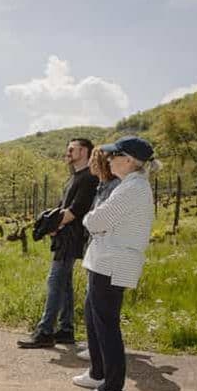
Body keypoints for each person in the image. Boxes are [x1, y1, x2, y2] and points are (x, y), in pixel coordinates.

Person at [72, 136, 159, 391]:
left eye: (113, 156)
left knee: (106, 325)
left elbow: (95, 220)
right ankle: (98, 373)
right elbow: (99, 221)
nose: (108, 160)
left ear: (129, 160)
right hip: (104, 261)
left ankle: (112, 390)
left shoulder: (132, 189)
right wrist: (95, 221)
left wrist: (92, 219)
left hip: (112, 262)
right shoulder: (129, 186)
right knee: (94, 318)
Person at [18, 139, 99, 349]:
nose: (68, 152)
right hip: (63, 236)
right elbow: (62, 207)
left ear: (84, 151)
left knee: (55, 281)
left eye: (72, 149)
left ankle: (45, 332)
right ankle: (65, 330)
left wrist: (54, 225)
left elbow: (76, 210)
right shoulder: (74, 177)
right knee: (64, 284)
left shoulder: (89, 178)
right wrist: (50, 226)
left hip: (72, 238)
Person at [76, 149, 121, 362]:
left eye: (95, 160)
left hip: (106, 256)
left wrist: (90, 220)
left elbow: (99, 220)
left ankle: (101, 355)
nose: (91, 164)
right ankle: (96, 349)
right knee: (91, 305)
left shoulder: (114, 188)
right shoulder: (102, 187)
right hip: (96, 251)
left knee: (99, 309)